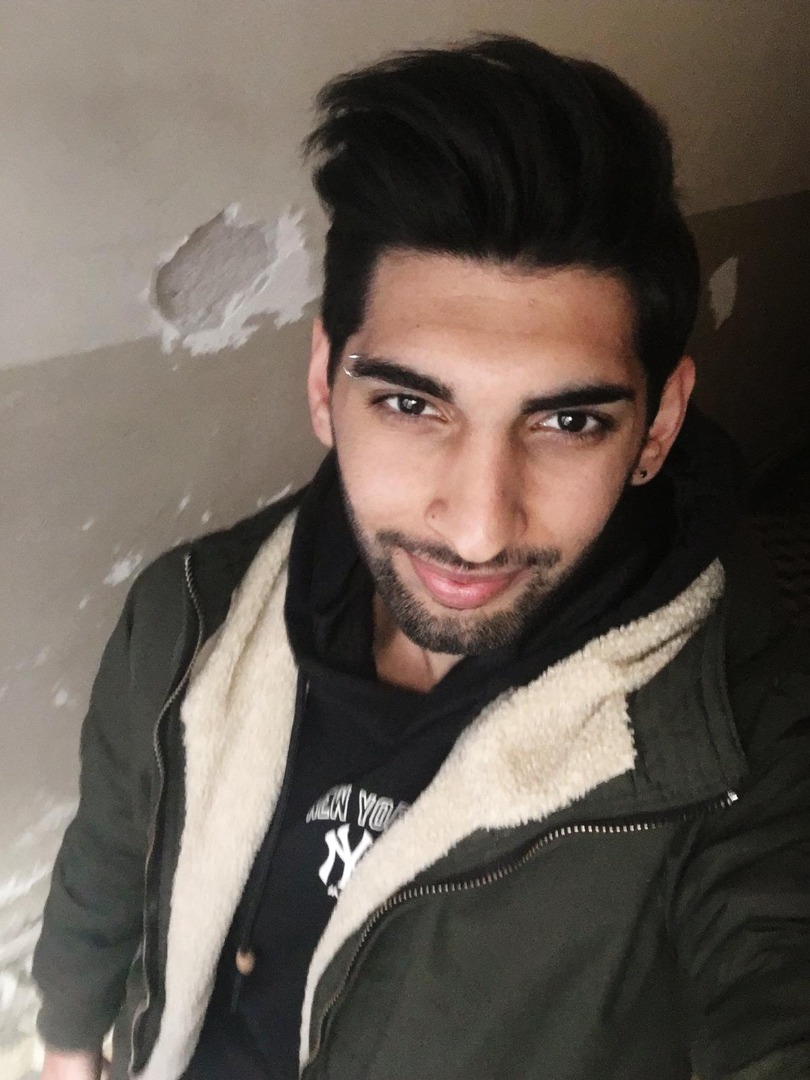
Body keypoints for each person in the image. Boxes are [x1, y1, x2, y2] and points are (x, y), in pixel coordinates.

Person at [34, 34, 809, 1080]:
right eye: (411, 404)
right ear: (325, 381)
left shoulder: (745, 744)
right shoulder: (189, 610)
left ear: (659, 427)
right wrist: (68, 1041)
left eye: (568, 423)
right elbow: (111, 850)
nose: (478, 529)